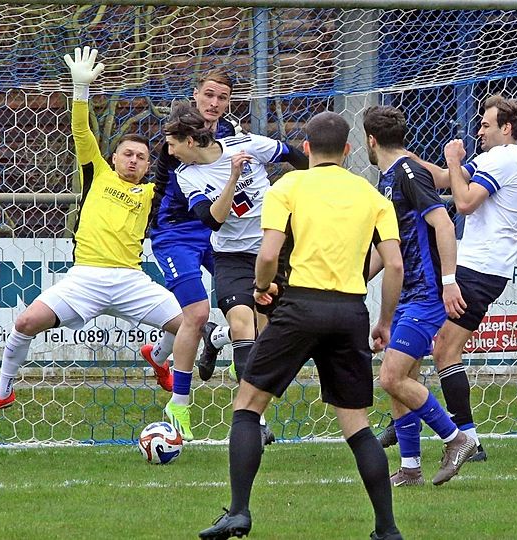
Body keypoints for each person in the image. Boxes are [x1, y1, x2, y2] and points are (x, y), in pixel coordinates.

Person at [198, 111, 403, 540]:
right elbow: (395, 265)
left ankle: (238, 511)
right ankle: (387, 529)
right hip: (350, 312)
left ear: (306, 149)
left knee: (248, 405)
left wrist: (260, 288)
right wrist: (383, 320)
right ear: (348, 151)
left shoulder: (287, 184)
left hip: (300, 307)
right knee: (357, 424)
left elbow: (269, 254)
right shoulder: (371, 195)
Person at [0, 46, 185, 430]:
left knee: (189, 325)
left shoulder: (153, 193)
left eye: (141, 157)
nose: (134, 160)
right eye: (128, 154)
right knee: (24, 323)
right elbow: (81, 131)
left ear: (148, 165)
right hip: (85, 278)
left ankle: (158, 357)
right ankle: (2, 391)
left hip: (131, 279)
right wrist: (80, 89)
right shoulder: (97, 174)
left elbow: (174, 162)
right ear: (114, 158)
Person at [390, 95, 517, 465]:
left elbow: (465, 201)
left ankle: (419, 418)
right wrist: (402, 156)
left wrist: (453, 160)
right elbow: (441, 180)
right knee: (440, 348)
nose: (479, 131)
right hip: (486, 269)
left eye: (486, 125)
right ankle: (454, 432)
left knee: (423, 341)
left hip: (477, 269)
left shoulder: (503, 158)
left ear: (507, 129)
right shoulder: (496, 159)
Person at [161, 102, 308, 441]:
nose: (168, 151)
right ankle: (253, 423)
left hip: (275, 252)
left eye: (172, 143)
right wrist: (232, 179)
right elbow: (212, 219)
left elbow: (294, 155)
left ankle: (216, 340)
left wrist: (305, 190)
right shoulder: (187, 175)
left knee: (265, 333)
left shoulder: (247, 145)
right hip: (232, 258)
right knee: (243, 324)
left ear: (191, 141)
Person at [362, 105, 477, 487]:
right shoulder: (391, 178)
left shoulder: (408, 172)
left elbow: (443, 223)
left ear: (371, 140)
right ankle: (410, 467)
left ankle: (456, 439)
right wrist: (355, 280)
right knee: (402, 376)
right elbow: (387, 248)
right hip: (407, 292)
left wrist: (448, 282)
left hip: (425, 293)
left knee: (392, 377)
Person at [139, 70, 239, 398]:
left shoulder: (232, 134)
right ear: (195, 94)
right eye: (208, 94)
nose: (214, 102)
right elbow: (164, 186)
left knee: (247, 308)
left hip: (216, 228)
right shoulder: (175, 138)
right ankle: (179, 401)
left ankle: (217, 339)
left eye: (222, 97)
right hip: (176, 230)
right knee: (196, 313)